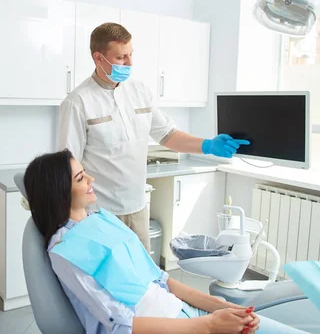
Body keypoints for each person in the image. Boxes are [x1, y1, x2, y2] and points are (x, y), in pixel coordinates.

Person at [23, 150, 308, 334]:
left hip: (186, 315)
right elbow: (118, 324)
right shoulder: (65, 251)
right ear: (60, 190)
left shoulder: (102, 219)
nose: (92, 179)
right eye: (81, 177)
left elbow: (162, 280)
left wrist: (220, 308)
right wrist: (207, 326)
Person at [59, 22, 249, 250]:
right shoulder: (78, 102)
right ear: (99, 58)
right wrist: (77, 215)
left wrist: (207, 145)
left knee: (144, 277)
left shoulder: (140, 92)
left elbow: (168, 135)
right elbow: (69, 166)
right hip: (99, 212)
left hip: (138, 207)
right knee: (108, 280)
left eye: (131, 55)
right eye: (121, 57)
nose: (130, 63)